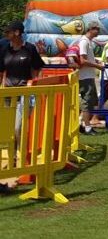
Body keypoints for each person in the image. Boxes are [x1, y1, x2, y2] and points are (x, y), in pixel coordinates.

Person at [0, 20, 45, 190]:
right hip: (7, 94)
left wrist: (33, 85)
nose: (6, 35)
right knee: (8, 130)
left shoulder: (30, 49)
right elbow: (1, 71)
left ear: (17, 33)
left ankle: (22, 158)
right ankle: (12, 160)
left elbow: (37, 69)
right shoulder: (5, 49)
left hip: (25, 94)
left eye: (9, 32)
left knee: (19, 128)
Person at [77, 21, 104, 135]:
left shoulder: (88, 42)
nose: (98, 31)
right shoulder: (84, 42)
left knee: (91, 101)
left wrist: (96, 61)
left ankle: (82, 124)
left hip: (89, 75)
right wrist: (97, 66)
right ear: (91, 29)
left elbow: (87, 58)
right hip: (85, 77)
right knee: (86, 102)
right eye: (97, 29)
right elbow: (82, 60)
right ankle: (87, 127)